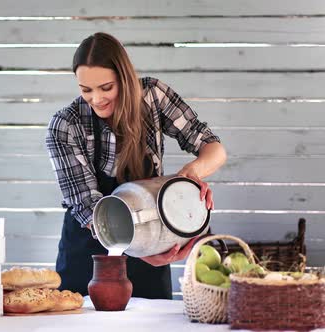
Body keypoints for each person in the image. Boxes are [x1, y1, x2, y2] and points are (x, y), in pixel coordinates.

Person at [45, 32, 227, 299]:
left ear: (125, 78)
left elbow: (214, 149)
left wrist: (191, 178)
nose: (96, 99)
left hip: (150, 248)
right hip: (90, 255)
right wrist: (140, 251)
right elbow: (90, 209)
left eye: (106, 87)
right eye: (86, 90)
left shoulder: (153, 96)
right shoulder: (65, 125)